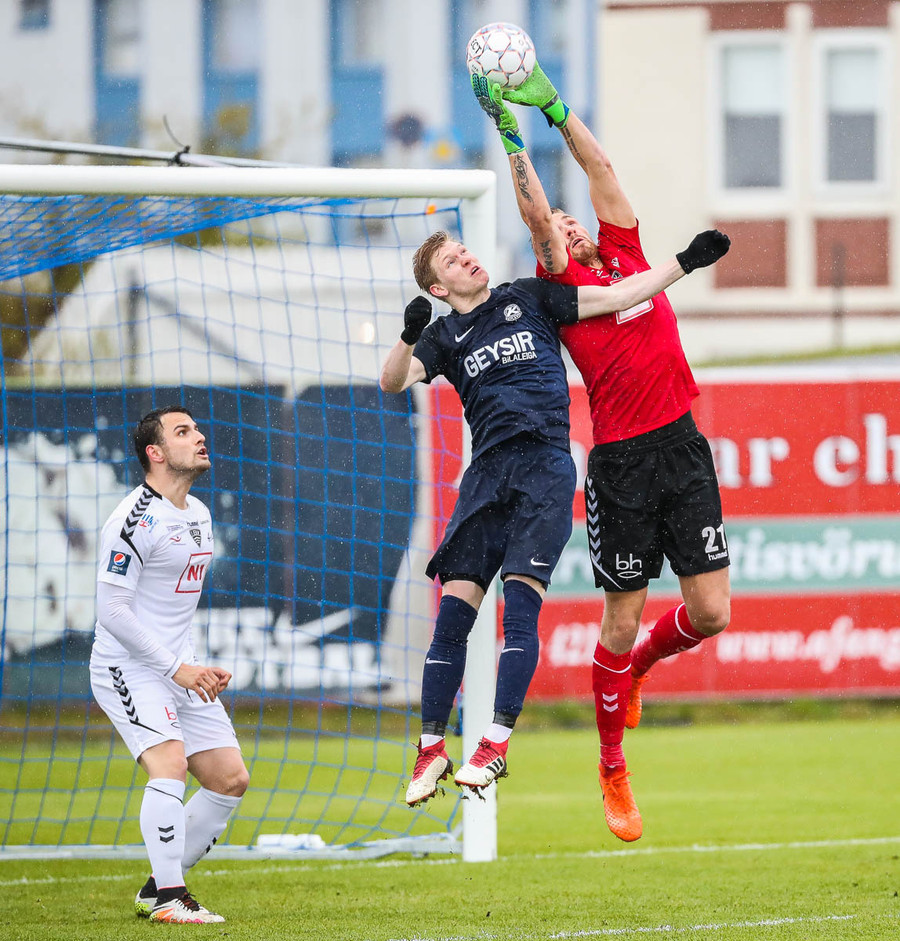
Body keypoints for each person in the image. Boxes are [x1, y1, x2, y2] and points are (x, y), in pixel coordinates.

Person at [380, 222, 729, 807]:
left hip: (543, 472)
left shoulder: (530, 296)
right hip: (486, 477)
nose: (467, 259)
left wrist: (684, 262)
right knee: (452, 617)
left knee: (520, 613)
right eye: (452, 261)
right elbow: (392, 382)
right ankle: (431, 747)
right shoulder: (442, 336)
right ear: (438, 288)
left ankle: (494, 744)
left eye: (464, 250)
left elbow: (621, 294)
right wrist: (408, 335)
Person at [473, 66, 732, 843]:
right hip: (620, 465)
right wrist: (511, 133)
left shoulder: (626, 250)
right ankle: (613, 765)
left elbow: (601, 169)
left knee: (711, 613)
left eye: (571, 217)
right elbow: (535, 214)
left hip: (681, 444)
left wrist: (553, 107)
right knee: (619, 623)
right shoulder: (563, 289)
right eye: (556, 225)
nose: (566, 223)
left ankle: (645, 663)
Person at [90, 405, 249, 923]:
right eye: (183, 432)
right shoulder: (133, 519)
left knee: (229, 779)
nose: (199, 437)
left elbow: (173, 607)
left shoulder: (198, 513)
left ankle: (156, 885)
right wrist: (175, 668)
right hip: (126, 666)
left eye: (197, 429)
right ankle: (170, 899)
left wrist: (193, 663)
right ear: (155, 453)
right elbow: (112, 610)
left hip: (178, 666)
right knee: (170, 765)